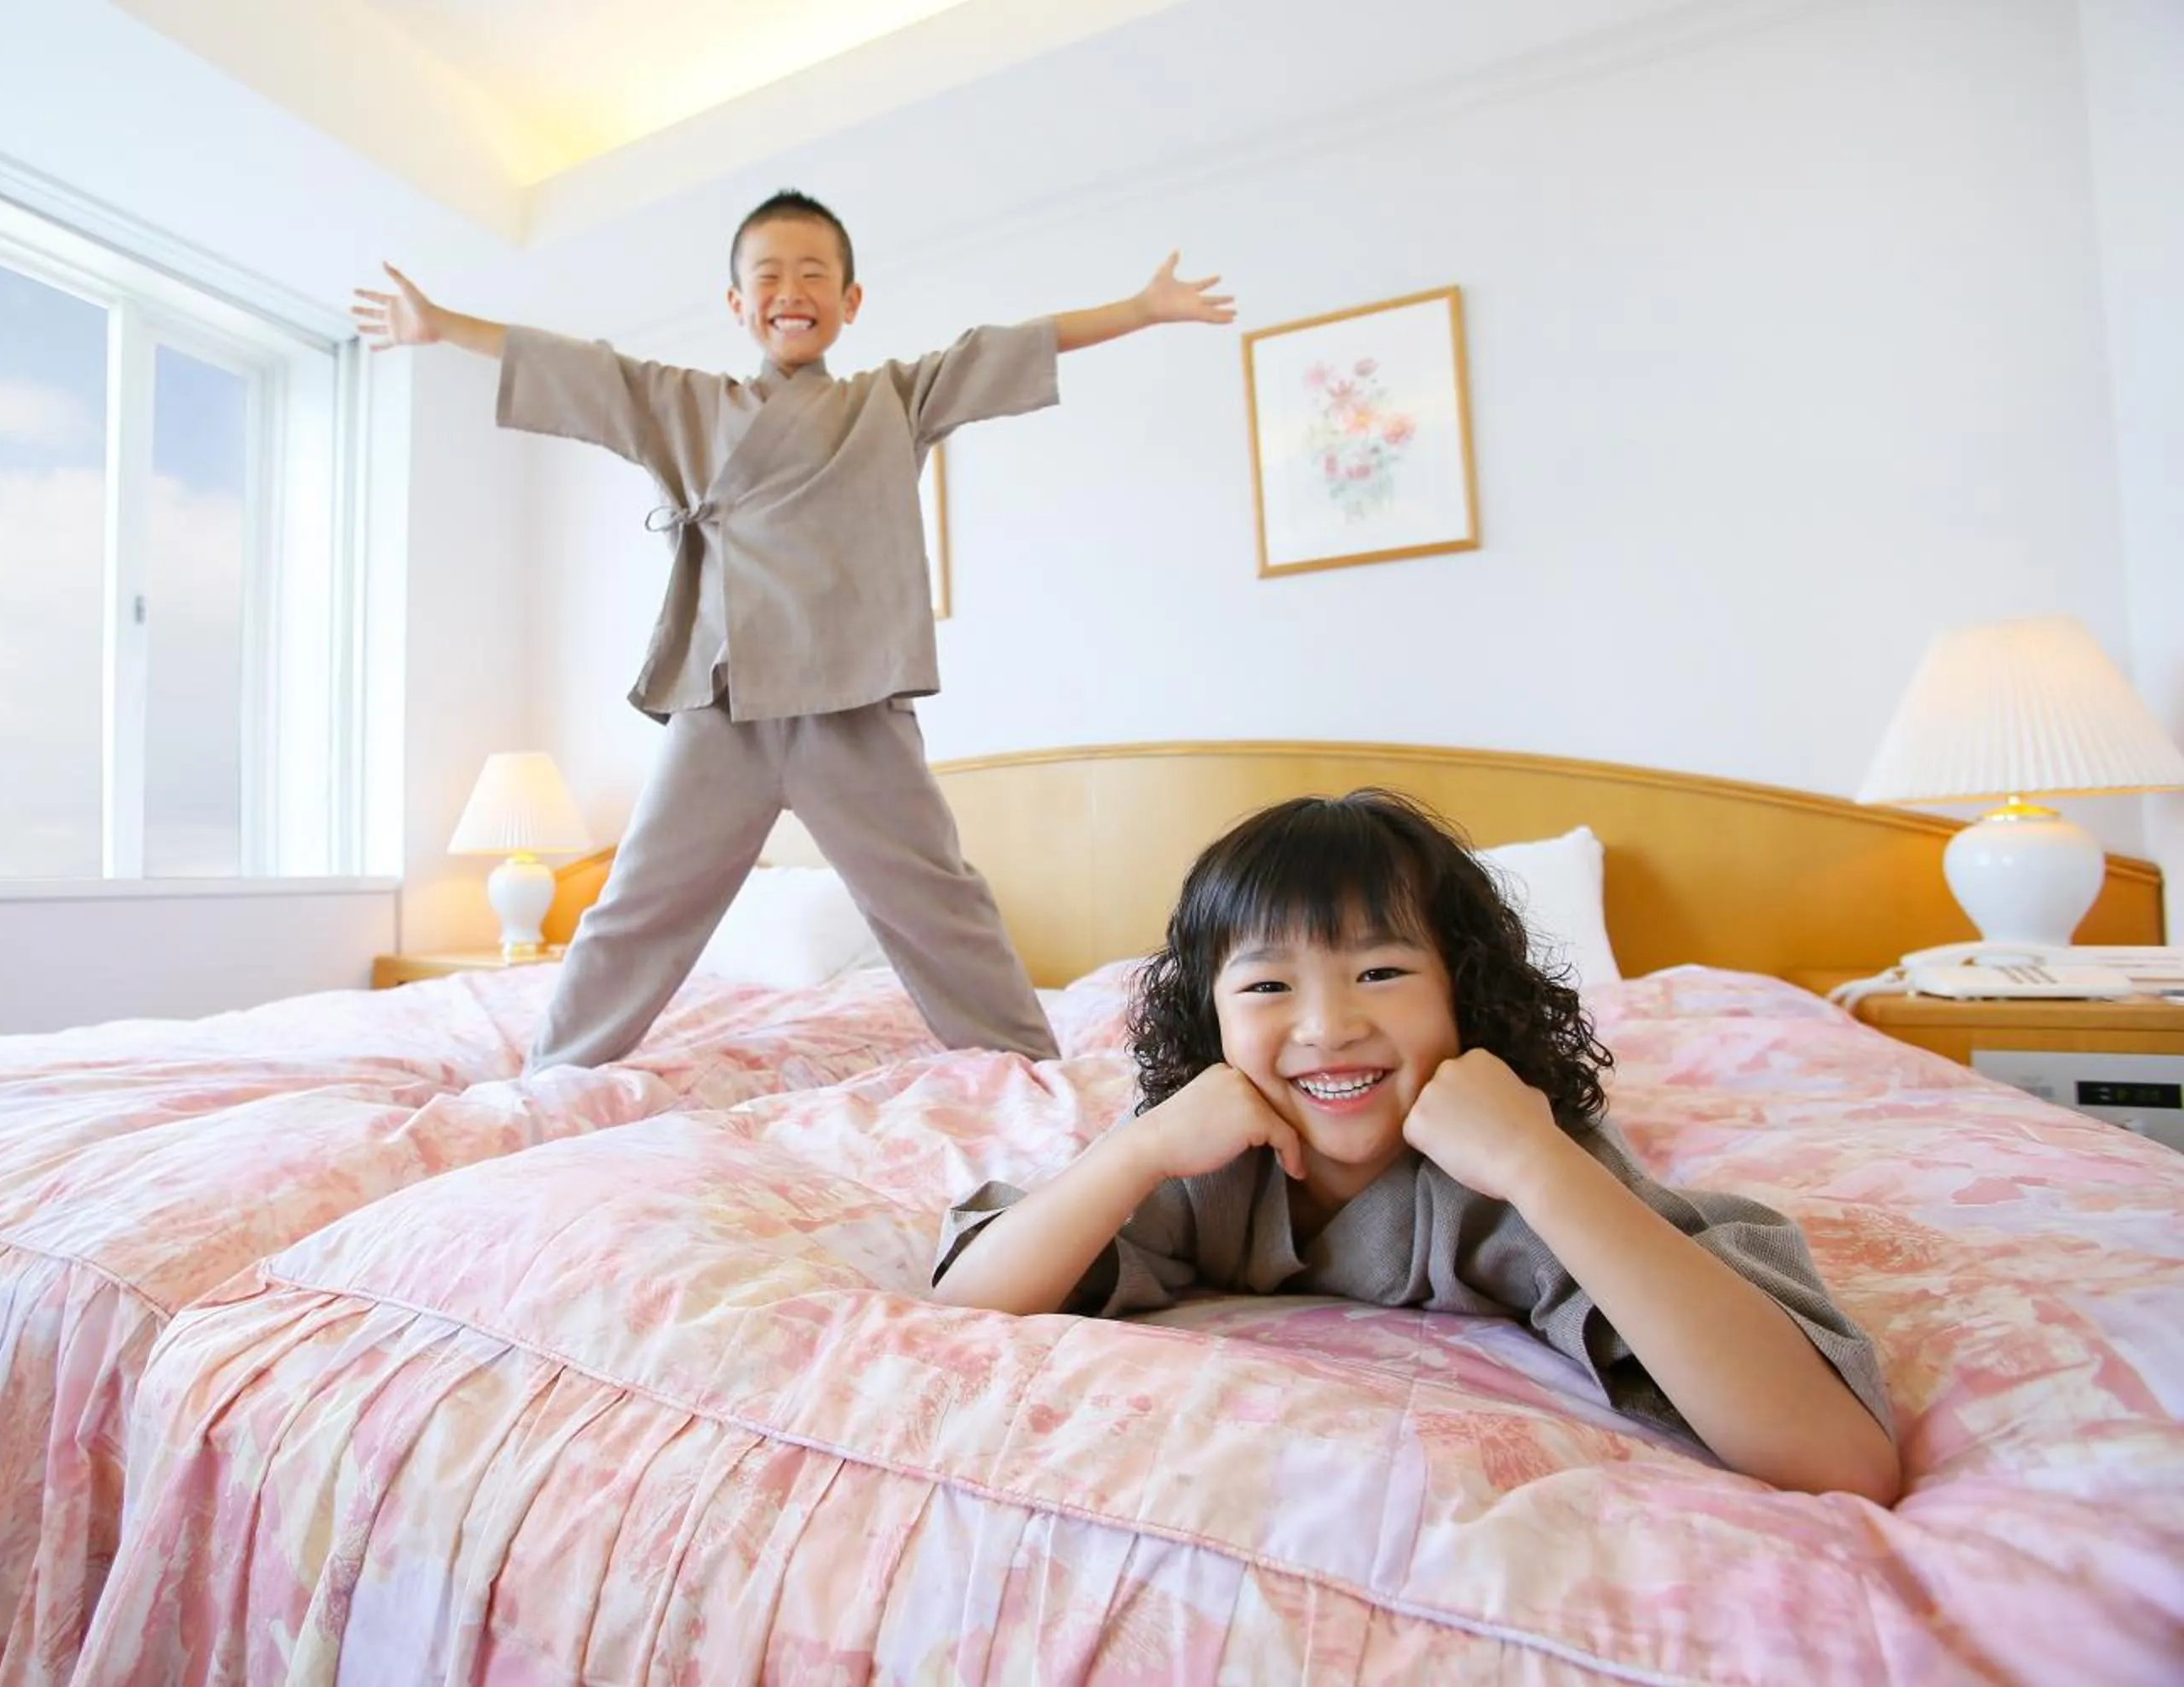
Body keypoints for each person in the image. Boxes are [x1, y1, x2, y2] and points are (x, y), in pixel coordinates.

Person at [354, 189, 1234, 1071]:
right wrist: (441, 325)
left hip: (853, 705)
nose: (791, 289)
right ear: (737, 304)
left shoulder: (891, 400)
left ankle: (1034, 1067)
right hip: (722, 704)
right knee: (637, 903)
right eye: (767, 274)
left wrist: (1140, 309)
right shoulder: (684, 405)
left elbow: (999, 351)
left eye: (815, 272)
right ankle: (554, 1072)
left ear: (850, 302)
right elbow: (585, 373)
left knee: (936, 900)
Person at [930, 791, 1902, 1502]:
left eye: (1381, 969)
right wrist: (1136, 1150)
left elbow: (1839, 1458)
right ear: (1209, 1015)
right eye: (1267, 986)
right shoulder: (1198, 1152)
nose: (1326, 1025)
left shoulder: (1526, 1183)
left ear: (1462, 990)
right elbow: (961, 1309)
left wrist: (1538, 1162)